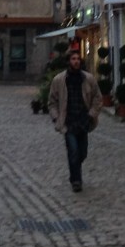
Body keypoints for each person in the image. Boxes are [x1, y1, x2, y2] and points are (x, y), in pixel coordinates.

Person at [48, 48, 101, 192]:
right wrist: (56, 117)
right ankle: (76, 181)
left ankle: (74, 173)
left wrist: (92, 114)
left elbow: (97, 97)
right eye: (73, 59)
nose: (76, 61)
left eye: (78, 59)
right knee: (73, 151)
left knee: (82, 153)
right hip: (68, 121)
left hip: (84, 120)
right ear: (68, 61)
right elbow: (52, 102)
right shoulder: (59, 80)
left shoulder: (88, 79)